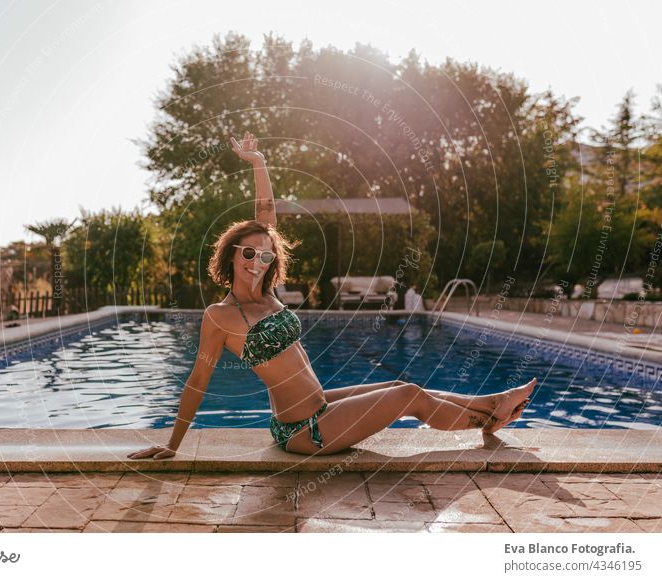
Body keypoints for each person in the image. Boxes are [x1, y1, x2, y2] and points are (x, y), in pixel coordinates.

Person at [129, 131, 536, 459]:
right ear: (231, 254)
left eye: (265, 254)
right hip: (304, 431)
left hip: (320, 404)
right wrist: (172, 444)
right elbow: (197, 383)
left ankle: (494, 403)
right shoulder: (220, 316)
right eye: (248, 253)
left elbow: (267, 213)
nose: (257, 260)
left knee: (398, 382)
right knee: (408, 396)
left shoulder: (268, 295)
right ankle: (486, 420)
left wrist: (260, 163)